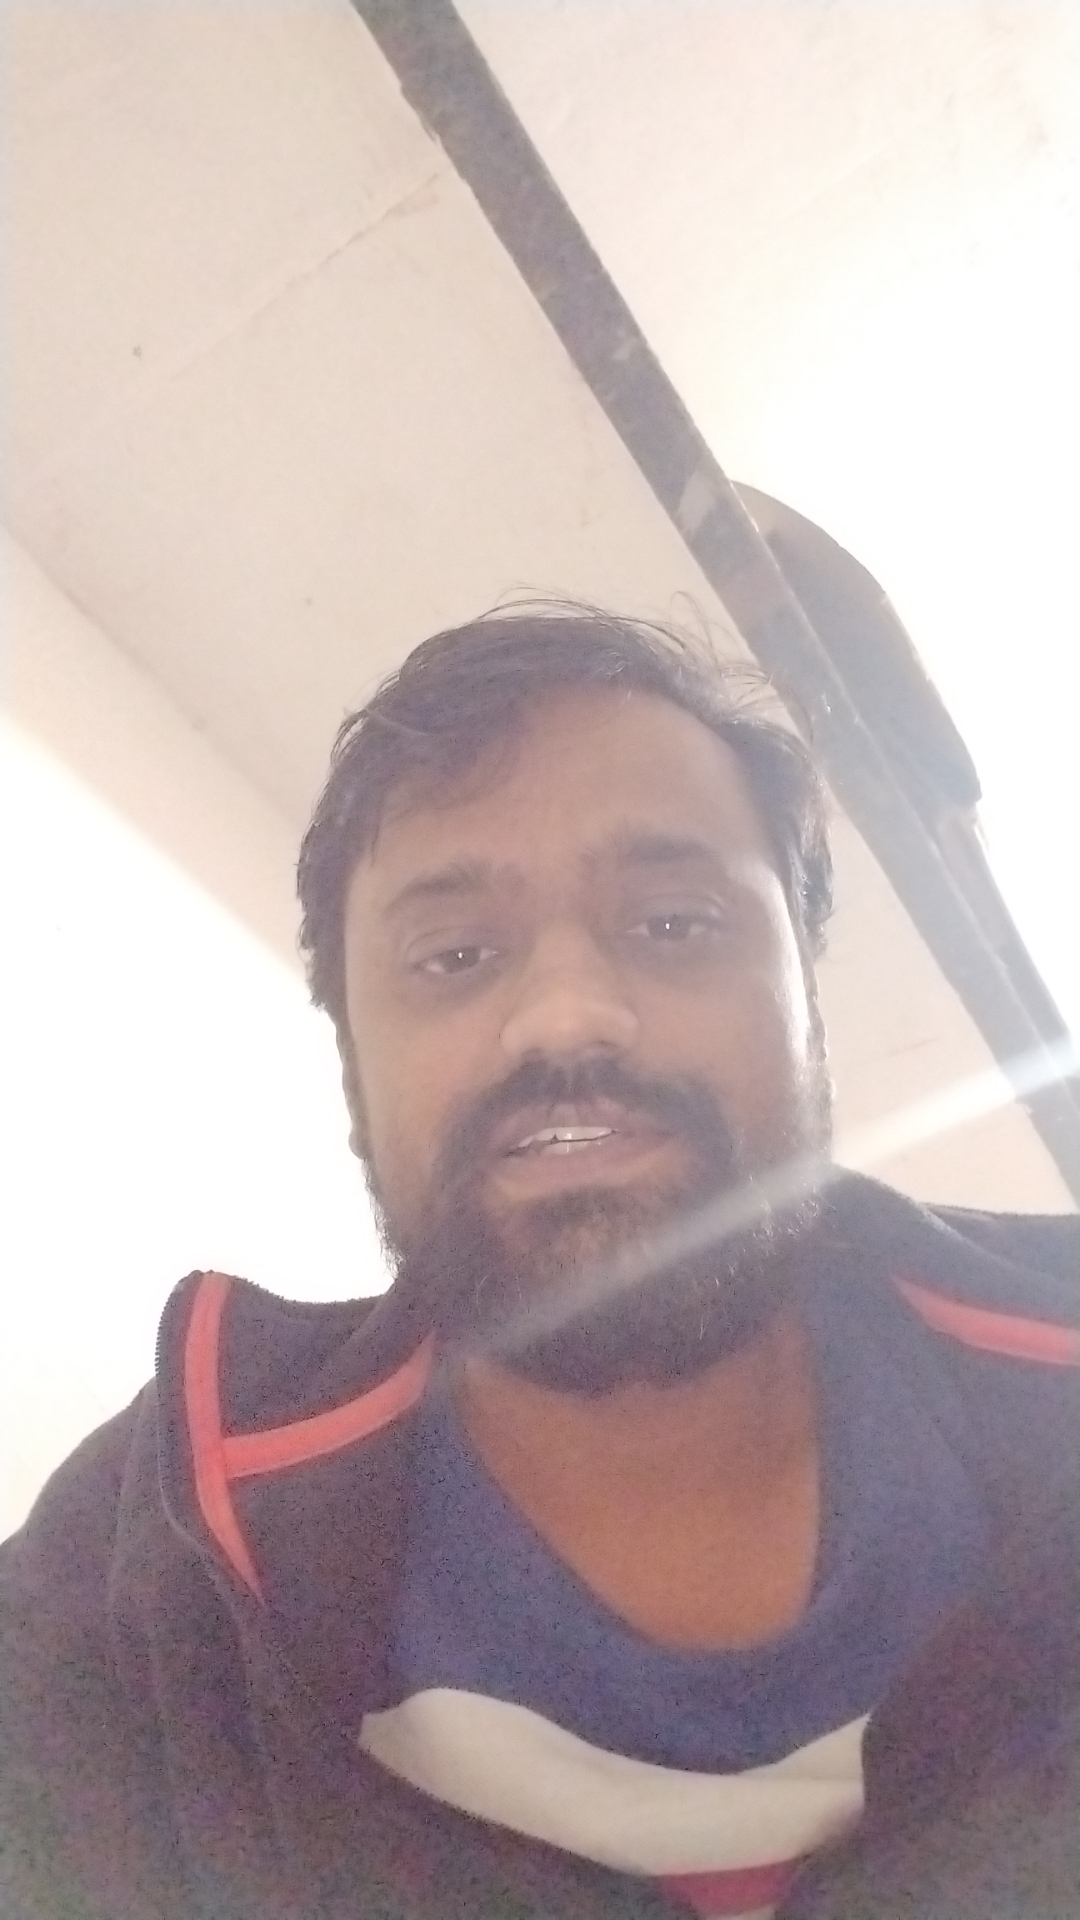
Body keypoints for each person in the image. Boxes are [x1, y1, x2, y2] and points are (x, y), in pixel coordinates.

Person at [1, 608, 1077, 1920]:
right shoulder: (143, 1575)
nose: (570, 1015)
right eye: (455, 956)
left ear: (809, 1001)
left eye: (673, 923)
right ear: (355, 1072)